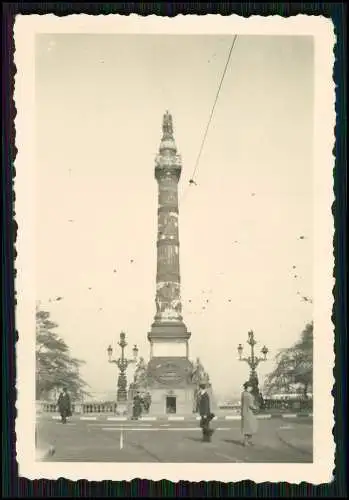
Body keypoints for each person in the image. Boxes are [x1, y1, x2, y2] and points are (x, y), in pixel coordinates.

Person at [241, 381, 258, 446]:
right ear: (248, 387)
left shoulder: (243, 394)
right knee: (251, 427)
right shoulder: (249, 395)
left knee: (246, 428)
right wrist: (256, 408)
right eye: (251, 387)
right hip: (249, 413)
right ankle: (246, 442)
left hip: (244, 412)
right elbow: (251, 405)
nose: (251, 388)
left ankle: (246, 441)